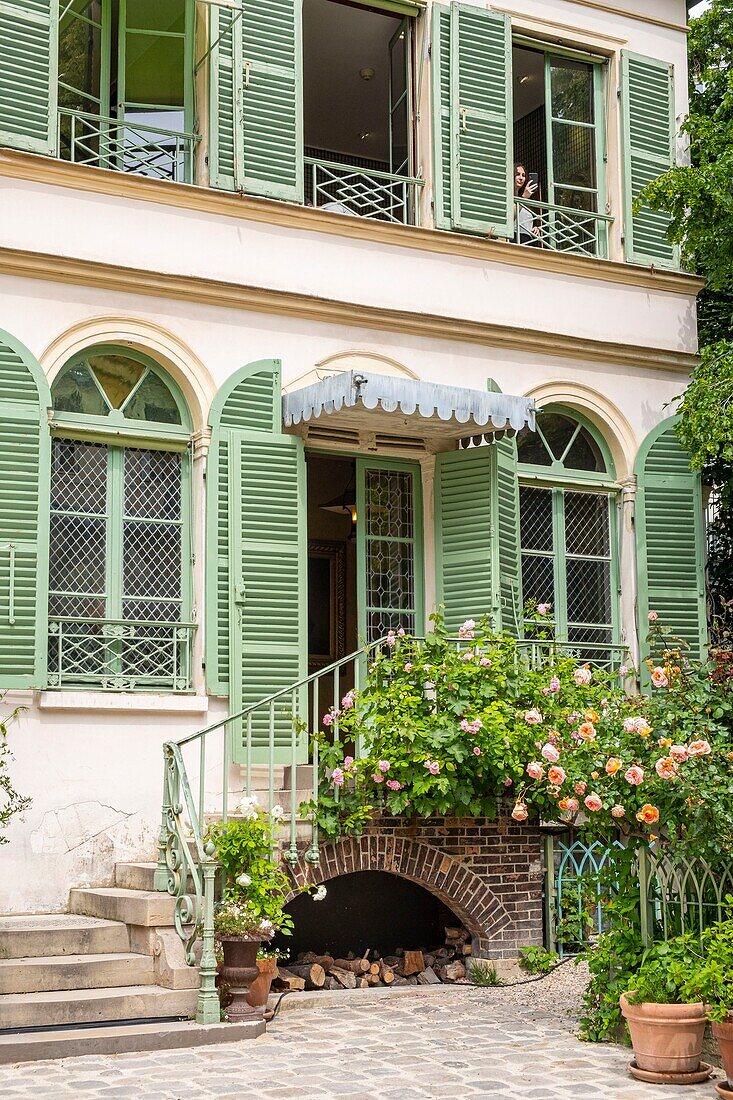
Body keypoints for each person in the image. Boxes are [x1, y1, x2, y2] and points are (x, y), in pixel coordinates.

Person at [514, 163, 541, 245]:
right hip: (514, 239)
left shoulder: (525, 200)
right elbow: (510, 217)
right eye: (518, 174)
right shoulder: (507, 196)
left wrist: (535, 228)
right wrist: (524, 198)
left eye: (523, 175)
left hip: (528, 240)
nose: (521, 178)